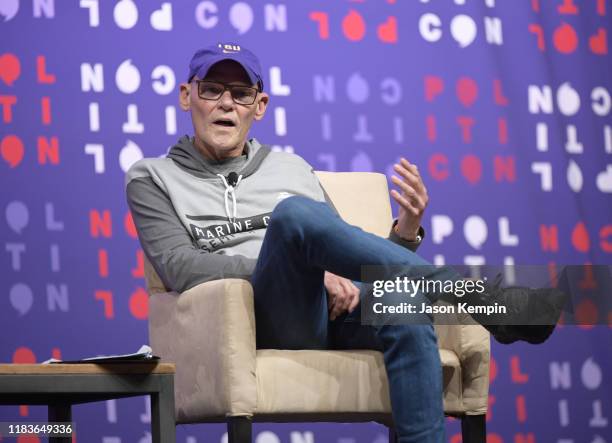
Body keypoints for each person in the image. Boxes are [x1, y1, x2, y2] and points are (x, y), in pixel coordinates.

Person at [126, 43, 567, 442]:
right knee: (294, 215)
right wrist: (290, 267)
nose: (226, 102)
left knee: (401, 300)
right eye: (212, 89)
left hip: (324, 313)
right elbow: (179, 266)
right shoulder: (152, 177)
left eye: (240, 93)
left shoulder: (291, 168)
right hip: (251, 317)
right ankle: (481, 297)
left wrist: (404, 233)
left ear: (259, 106)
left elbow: (344, 251)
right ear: (187, 95)